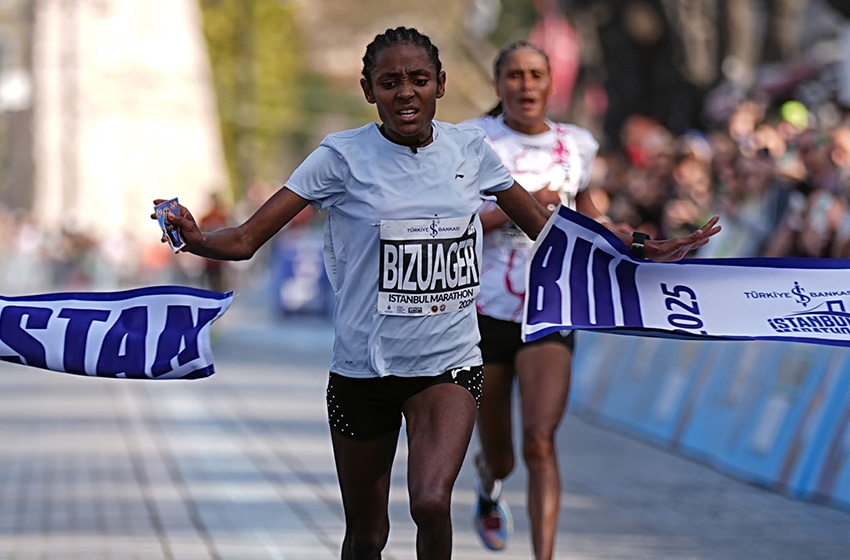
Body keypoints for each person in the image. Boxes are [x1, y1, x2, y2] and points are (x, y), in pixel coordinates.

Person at [154, 28, 719, 560]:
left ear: (441, 85)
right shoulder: (339, 157)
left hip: (447, 364)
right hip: (363, 369)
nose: (406, 94)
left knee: (429, 501)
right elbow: (249, 238)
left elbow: (548, 230)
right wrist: (197, 237)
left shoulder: (469, 150)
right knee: (367, 534)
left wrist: (634, 248)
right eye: (390, 82)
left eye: (419, 80)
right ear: (368, 91)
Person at [464, 40, 717, 559]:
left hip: (553, 306)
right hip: (484, 312)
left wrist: (647, 245)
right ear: (498, 84)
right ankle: (489, 485)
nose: (526, 85)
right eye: (515, 75)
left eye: (536, 75)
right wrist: (523, 208)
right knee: (503, 456)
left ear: (552, 84)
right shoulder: (471, 140)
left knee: (540, 440)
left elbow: (594, 221)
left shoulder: (575, 144)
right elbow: (451, 221)